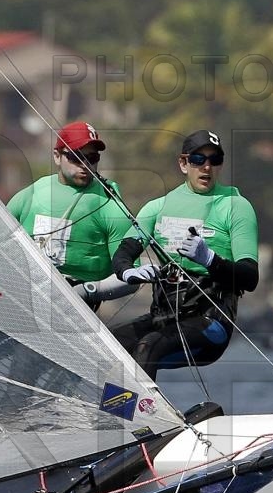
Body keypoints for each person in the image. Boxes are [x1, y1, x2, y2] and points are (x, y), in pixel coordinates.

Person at [107, 129, 259, 373]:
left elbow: (250, 278)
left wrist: (210, 260)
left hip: (211, 324)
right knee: (106, 345)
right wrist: (128, 271)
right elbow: (124, 254)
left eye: (215, 160)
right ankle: (96, 401)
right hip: (163, 319)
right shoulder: (157, 207)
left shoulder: (236, 206)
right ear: (183, 163)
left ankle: (137, 400)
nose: (207, 167)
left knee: (148, 346)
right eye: (198, 159)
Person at [8, 120, 138, 305]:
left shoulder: (111, 205)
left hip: (75, 309)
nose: (85, 164)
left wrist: (86, 291)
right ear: (57, 156)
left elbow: (131, 277)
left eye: (92, 158)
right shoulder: (30, 195)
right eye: (76, 157)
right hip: (22, 298)